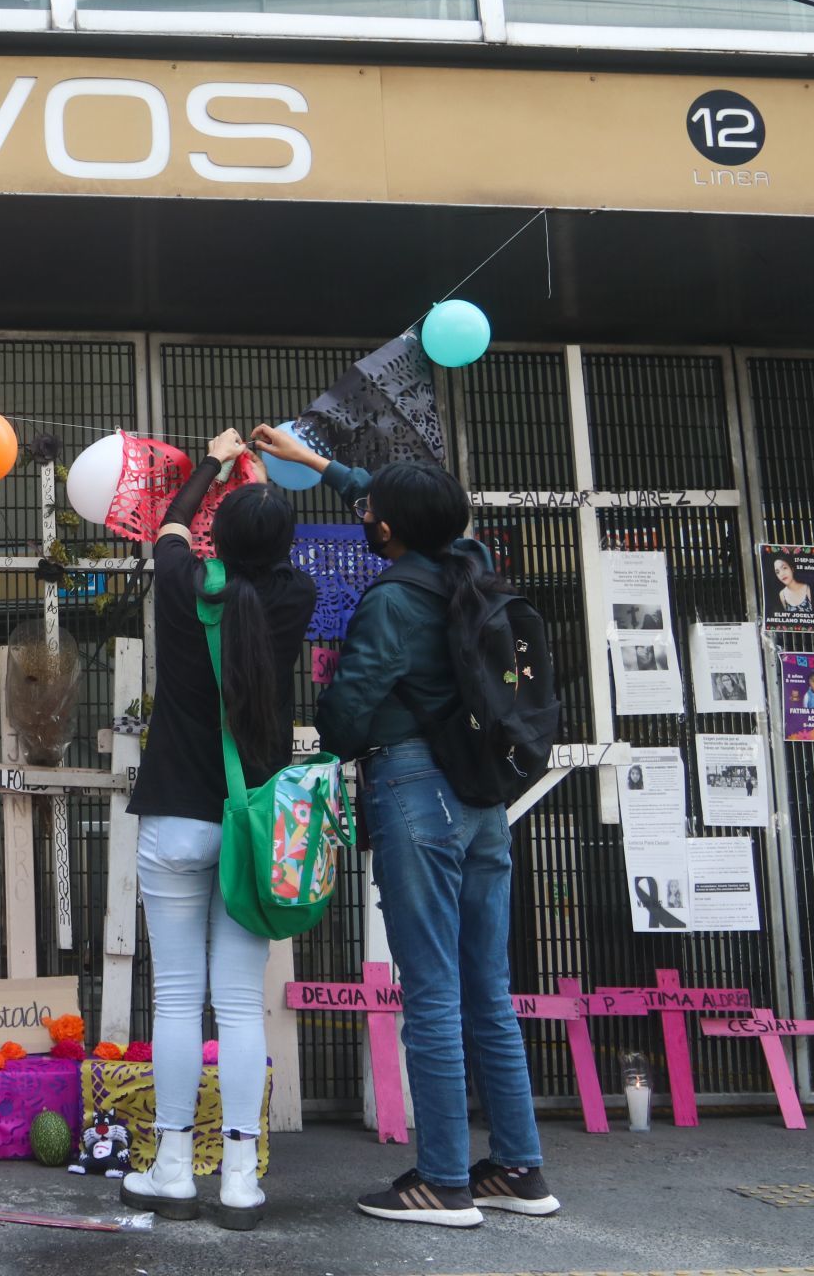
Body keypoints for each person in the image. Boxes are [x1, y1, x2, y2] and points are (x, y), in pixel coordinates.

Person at [250, 424, 558, 1228]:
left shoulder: (390, 599)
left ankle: (444, 1180)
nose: (367, 515)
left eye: (372, 510)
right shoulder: (473, 567)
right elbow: (414, 515)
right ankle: (518, 1168)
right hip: (483, 801)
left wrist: (331, 730)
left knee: (429, 992)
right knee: (487, 988)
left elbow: (352, 703)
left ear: (385, 528)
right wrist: (322, 464)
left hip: (417, 788)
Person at [120, 428, 316, 1230]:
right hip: (251, 828)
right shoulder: (296, 596)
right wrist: (259, 478)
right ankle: (239, 1177)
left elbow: (170, 522)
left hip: (173, 818)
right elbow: (269, 549)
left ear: (217, 538)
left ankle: (171, 1168)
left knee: (174, 1001)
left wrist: (212, 460)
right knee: (239, 1008)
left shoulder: (181, 580)